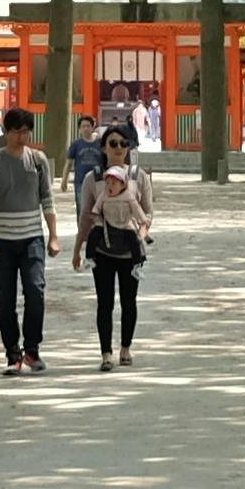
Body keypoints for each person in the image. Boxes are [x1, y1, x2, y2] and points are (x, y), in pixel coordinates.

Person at [0, 105, 61, 374]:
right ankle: (12, 354)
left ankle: (32, 349)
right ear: (6, 132)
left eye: (26, 132)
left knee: (35, 291)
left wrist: (53, 235)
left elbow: (46, 199)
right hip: (1, 240)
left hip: (32, 238)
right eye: (17, 132)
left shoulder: (38, 161)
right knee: (5, 298)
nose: (22, 137)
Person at [80, 129, 156, 368]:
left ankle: (125, 348)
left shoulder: (138, 176)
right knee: (105, 301)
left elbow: (148, 213)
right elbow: (86, 215)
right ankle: (105, 353)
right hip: (102, 249)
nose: (119, 148)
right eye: (113, 143)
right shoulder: (93, 179)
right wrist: (77, 248)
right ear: (103, 148)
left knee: (129, 300)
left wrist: (141, 236)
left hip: (130, 249)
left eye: (124, 143)